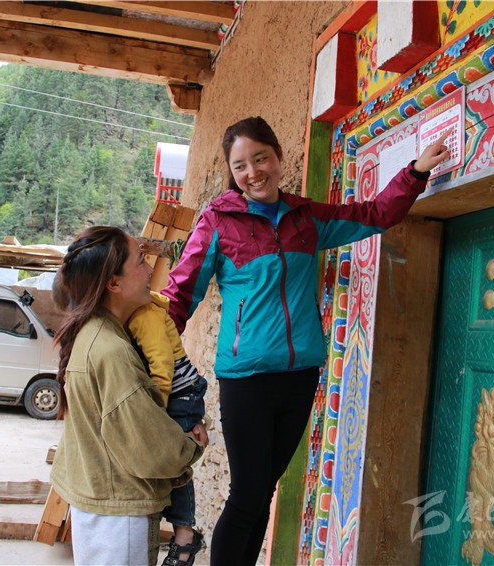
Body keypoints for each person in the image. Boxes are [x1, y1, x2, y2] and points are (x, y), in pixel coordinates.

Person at [162, 116, 452, 565]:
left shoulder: (306, 217)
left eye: (260, 159)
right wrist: (154, 358)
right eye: (241, 166)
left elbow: (373, 215)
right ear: (232, 173)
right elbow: (181, 293)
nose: (253, 172)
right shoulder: (218, 222)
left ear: (278, 157)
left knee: (264, 490)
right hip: (246, 378)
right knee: (246, 494)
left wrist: (414, 173)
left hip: (299, 377)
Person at [50, 226, 208, 566]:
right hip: (119, 516)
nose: (150, 270)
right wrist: (191, 444)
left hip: (102, 502)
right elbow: (151, 447)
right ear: (114, 283)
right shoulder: (112, 351)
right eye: (140, 262)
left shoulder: (95, 331)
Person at [127, 290, 210, 566]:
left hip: (179, 395)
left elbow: (162, 367)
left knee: (174, 462)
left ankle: (185, 535)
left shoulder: (144, 314)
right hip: (179, 394)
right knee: (170, 462)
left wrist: (157, 415)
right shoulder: (136, 312)